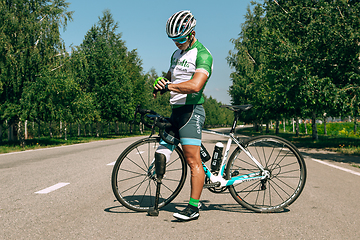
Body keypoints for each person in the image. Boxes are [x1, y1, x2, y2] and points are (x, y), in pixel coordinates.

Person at [153, 10, 213, 221]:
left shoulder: (203, 54)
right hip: (176, 111)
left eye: (180, 38)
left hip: (191, 111)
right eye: (173, 40)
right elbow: (171, 77)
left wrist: (170, 85)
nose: (177, 43)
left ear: (192, 33)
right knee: (163, 148)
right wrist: (162, 84)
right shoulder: (176, 55)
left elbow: (196, 85)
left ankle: (194, 208)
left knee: (192, 160)